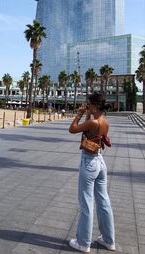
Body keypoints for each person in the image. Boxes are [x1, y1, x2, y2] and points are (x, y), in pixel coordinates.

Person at [68, 92, 115, 253]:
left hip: (89, 162)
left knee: (86, 202)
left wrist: (80, 114)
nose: (86, 106)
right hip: (100, 162)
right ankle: (108, 240)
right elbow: (92, 134)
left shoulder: (92, 122)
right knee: (104, 201)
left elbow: (72, 129)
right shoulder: (105, 122)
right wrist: (89, 114)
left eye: (88, 104)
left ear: (94, 105)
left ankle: (83, 243)